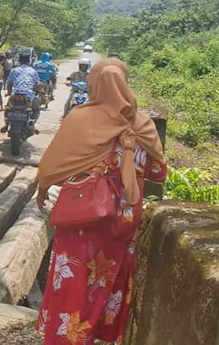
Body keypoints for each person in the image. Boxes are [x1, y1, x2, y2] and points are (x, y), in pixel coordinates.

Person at [34, 59, 167, 344]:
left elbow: (53, 168)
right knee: (106, 280)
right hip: (123, 222)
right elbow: (158, 172)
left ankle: (66, 337)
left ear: (94, 84)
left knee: (75, 280)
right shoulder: (143, 124)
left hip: (83, 217)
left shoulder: (81, 119)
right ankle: (96, 334)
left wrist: (43, 188)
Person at [1, 52, 42, 133]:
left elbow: (9, 84)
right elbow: (38, 84)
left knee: (8, 109)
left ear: (19, 60)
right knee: (36, 110)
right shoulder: (33, 71)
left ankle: (6, 124)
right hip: (29, 96)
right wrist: (40, 91)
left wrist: (9, 93)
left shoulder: (14, 70)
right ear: (29, 61)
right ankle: (32, 122)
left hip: (15, 95)